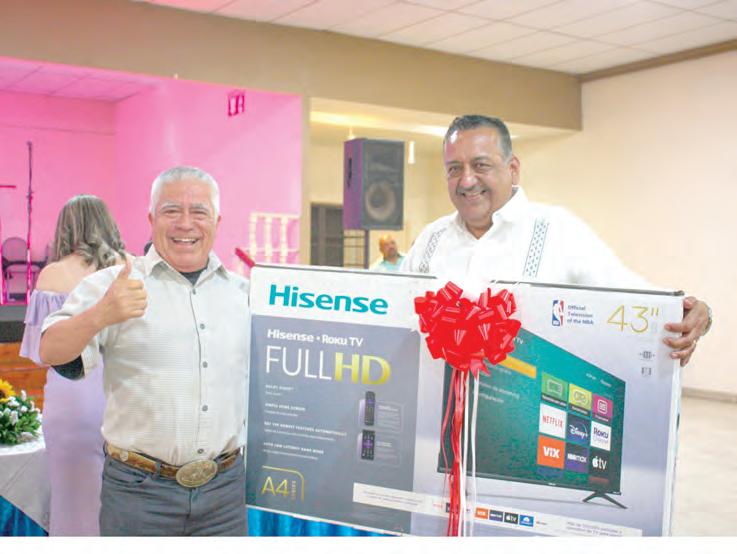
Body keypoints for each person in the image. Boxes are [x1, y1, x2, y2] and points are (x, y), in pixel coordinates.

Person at [38, 166, 250, 536]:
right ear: (151, 219)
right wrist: (101, 313)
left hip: (224, 495)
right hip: (139, 495)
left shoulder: (242, 294)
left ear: (217, 221)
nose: (185, 223)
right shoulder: (112, 285)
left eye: (199, 212)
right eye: (172, 211)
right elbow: (50, 351)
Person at [401, 115, 711, 364]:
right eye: (454, 169)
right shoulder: (431, 238)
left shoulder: (558, 230)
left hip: (525, 411)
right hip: (435, 413)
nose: (467, 180)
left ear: (513, 169)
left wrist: (694, 313)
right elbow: (391, 307)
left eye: (481, 165)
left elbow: (630, 294)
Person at [20, 194, 127, 536]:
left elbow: (42, 352)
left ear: (65, 227)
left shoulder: (53, 274)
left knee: (73, 503)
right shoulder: (129, 268)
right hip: (125, 394)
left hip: (71, 397)